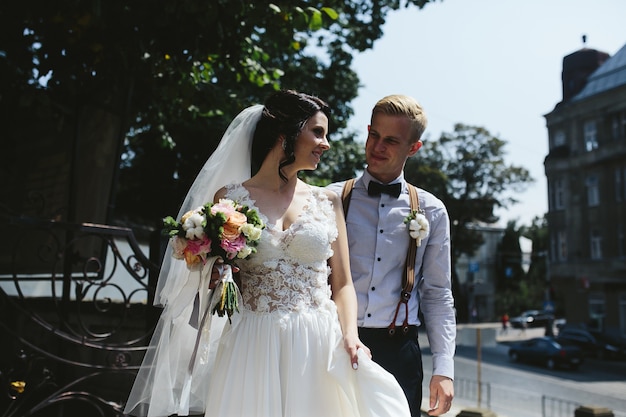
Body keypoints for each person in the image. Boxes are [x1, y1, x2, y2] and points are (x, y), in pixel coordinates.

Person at [124, 90, 411, 417]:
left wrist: (350, 336)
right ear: (284, 134)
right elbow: (216, 279)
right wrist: (214, 271)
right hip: (254, 341)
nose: (325, 143)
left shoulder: (327, 200)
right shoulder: (230, 199)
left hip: (318, 341)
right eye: (317, 132)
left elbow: (343, 284)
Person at [327, 94, 456, 417]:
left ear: (413, 148)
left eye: (391, 141)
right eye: (374, 135)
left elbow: (438, 294)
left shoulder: (432, 211)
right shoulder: (329, 198)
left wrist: (444, 368)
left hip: (399, 351)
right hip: (332, 342)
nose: (377, 146)